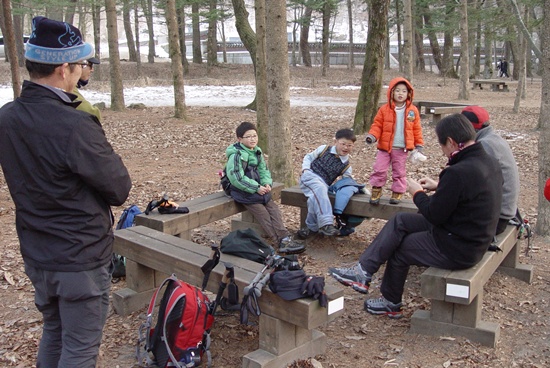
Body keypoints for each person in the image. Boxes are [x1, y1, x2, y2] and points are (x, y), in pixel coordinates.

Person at [0, 16, 132, 367]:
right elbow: (119, 187)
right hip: (79, 257)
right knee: (79, 347)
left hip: (38, 252)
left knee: (55, 331)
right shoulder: (74, 124)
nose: (81, 73)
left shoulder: (7, 117)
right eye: (80, 65)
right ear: (63, 68)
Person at [329, 114, 502, 318]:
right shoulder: (486, 160)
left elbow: (433, 215)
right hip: (471, 234)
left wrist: (417, 192)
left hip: (459, 246)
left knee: (401, 247)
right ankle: (363, 271)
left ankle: (390, 303)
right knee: (400, 220)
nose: (443, 151)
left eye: (442, 146)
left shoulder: (459, 172)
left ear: (451, 142)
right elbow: (472, 192)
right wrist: (441, 186)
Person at [225, 122, 305, 254]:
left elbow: (263, 170)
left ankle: (285, 238)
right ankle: (278, 241)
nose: (252, 139)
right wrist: (256, 187)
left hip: (258, 189)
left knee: (274, 210)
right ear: (240, 139)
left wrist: (267, 183)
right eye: (248, 136)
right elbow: (237, 178)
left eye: (254, 136)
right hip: (242, 191)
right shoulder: (236, 155)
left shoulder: (257, 151)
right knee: (263, 214)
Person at [462, 105, 520, 236]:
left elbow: (474, 185)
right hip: (504, 211)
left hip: (497, 219)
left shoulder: (485, 146)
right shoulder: (493, 138)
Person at [365, 77, 424, 205]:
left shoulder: (412, 111)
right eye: (397, 91)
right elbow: (377, 125)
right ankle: (376, 189)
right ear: (391, 92)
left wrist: (418, 143)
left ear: (408, 93)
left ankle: (397, 191)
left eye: (404, 91)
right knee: (379, 168)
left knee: (399, 171)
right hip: (384, 147)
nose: (400, 94)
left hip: (401, 148)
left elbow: (416, 128)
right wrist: (372, 136)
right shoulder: (384, 109)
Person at [297, 128, 356, 238]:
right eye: (343, 144)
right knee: (319, 189)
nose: (345, 147)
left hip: (323, 185)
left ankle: (311, 228)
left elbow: (345, 182)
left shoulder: (346, 166)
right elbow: (308, 157)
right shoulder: (324, 149)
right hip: (309, 176)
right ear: (335, 141)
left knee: (314, 199)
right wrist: (305, 169)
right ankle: (326, 223)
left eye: (349, 145)